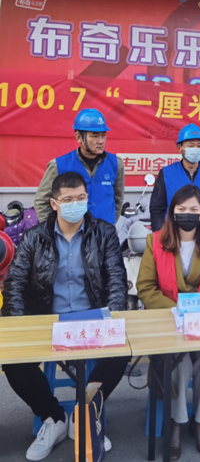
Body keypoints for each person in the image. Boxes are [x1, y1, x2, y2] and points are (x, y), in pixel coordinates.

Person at [3, 172, 128, 461]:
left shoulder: (105, 233)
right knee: (13, 362)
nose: (76, 204)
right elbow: (15, 284)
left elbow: (116, 281)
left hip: (92, 320)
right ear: (54, 203)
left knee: (121, 354)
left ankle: (85, 413)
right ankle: (54, 417)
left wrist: (112, 321)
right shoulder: (34, 238)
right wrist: (21, 325)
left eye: (81, 198)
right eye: (68, 199)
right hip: (47, 320)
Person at [137, 184, 200, 460]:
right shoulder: (155, 241)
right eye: (181, 209)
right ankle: (176, 423)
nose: (187, 213)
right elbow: (145, 287)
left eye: (193, 209)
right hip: (168, 324)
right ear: (173, 212)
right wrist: (176, 310)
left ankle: (199, 421)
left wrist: (198, 309)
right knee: (180, 364)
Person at [34, 109, 124, 225]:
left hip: (105, 233)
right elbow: (41, 202)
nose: (101, 141)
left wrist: (109, 227)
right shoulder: (58, 166)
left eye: (103, 135)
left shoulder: (116, 164)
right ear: (78, 138)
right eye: (94, 136)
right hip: (73, 233)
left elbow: (118, 200)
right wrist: (52, 230)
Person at [149, 124, 200, 240]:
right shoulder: (166, 173)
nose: (196, 149)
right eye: (191, 146)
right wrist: (161, 238)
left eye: (199, 146)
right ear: (179, 148)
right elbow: (157, 210)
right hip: (174, 238)